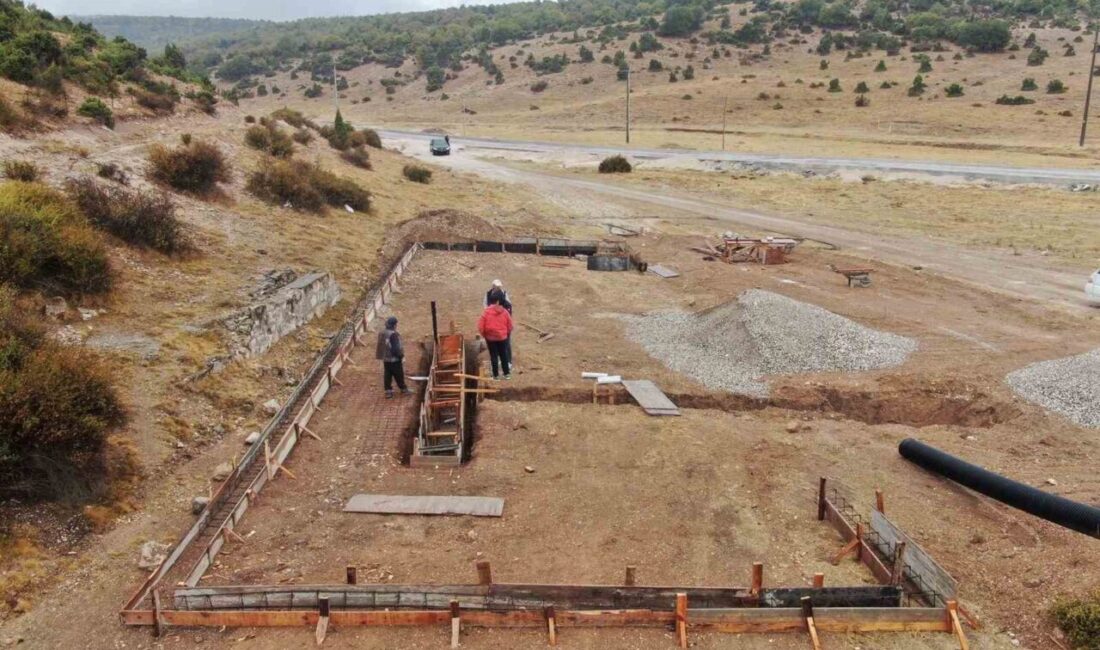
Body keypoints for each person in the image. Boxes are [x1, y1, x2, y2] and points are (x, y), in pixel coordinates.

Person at [477, 295, 513, 379]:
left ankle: (495, 375)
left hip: (490, 338)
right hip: (502, 338)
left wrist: (484, 335)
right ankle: (506, 374)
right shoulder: (505, 312)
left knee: (493, 356)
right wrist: (506, 334)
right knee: (504, 355)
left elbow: (480, 326)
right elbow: (510, 326)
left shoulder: (486, 312)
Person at [376, 316, 411, 398]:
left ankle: (388, 391)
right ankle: (403, 389)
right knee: (398, 374)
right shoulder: (393, 334)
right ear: (394, 325)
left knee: (387, 374)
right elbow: (395, 348)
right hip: (394, 359)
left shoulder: (382, 332)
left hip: (386, 359)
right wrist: (401, 356)